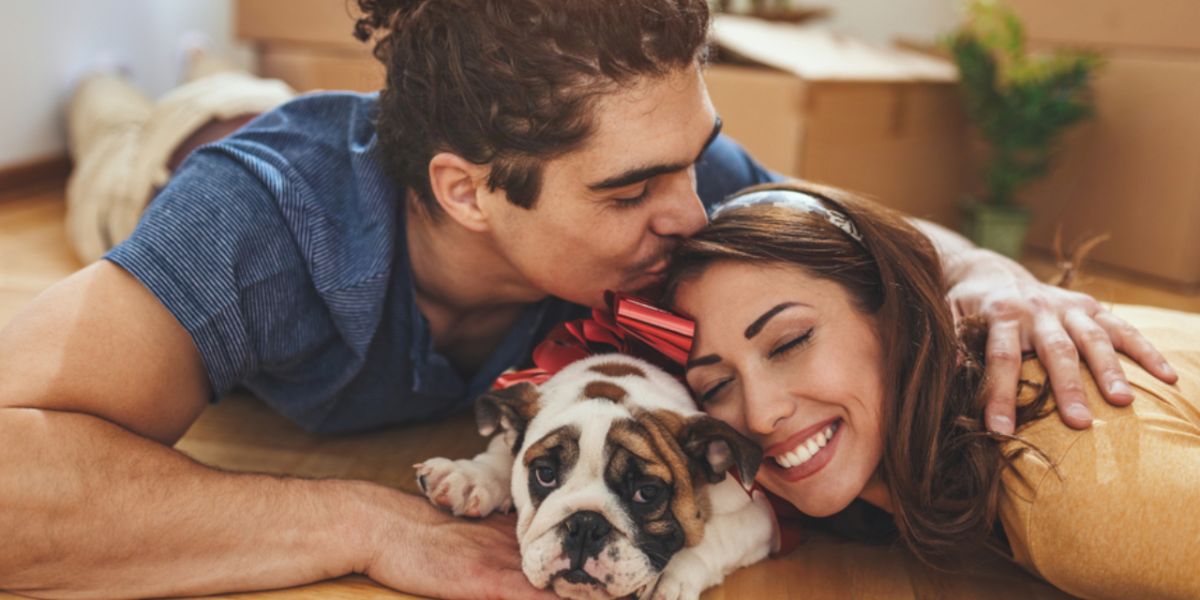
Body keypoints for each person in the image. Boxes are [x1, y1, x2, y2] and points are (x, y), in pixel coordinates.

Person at [0, 1, 1174, 598]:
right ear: (468, 191)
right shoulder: (253, 226)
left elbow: (864, 234)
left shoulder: (677, 185)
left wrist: (994, 279)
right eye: (632, 190)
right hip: (168, 165)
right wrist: (367, 525)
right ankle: (133, 92)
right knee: (120, 126)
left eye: (696, 159)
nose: (695, 212)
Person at [666, 182, 1199, 599]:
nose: (760, 414)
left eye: (790, 342)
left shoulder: (1070, 490)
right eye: (717, 386)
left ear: (893, 313)